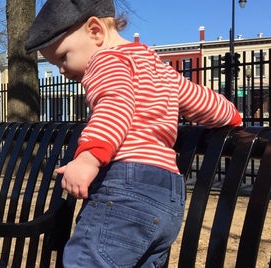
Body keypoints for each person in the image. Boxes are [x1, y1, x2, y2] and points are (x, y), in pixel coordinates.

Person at [25, 0, 242, 267]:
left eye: (62, 57)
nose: (61, 69)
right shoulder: (157, 66)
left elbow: (115, 105)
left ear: (95, 32)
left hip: (126, 189)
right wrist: (232, 115)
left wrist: (87, 159)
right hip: (168, 194)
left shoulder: (104, 61)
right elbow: (206, 104)